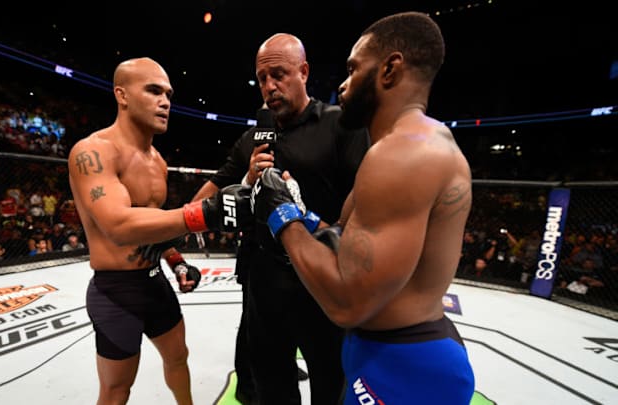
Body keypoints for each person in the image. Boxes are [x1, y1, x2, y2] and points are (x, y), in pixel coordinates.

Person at [252, 12, 475, 404]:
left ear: (389, 69)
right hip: (384, 348)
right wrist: (300, 210)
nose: (343, 83)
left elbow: (347, 302)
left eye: (354, 69)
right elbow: (344, 239)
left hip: (404, 361)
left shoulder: (403, 154)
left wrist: (281, 216)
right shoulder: (410, 143)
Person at [192, 34, 369, 404]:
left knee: (330, 383)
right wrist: (243, 183)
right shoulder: (253, 141)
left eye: (279, 74)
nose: (270, 86)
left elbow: (366, 209)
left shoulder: (340, 124)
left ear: (303, 72)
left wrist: (307, 219)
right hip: (265, 283)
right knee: (271, 386)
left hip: (323, 279)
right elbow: (208, 194)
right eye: (262, 78)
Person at [67, 57, 251, 405]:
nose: (165, 101)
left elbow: (150, 227)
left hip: (153, 283)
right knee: (117, 389)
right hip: (115, 291)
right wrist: (204, 214)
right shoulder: (92, 152)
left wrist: (177, 262)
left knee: (178, 358)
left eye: (168, 93)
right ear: (121, 95)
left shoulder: (158, 162)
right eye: (153, 91)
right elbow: (119, 226)